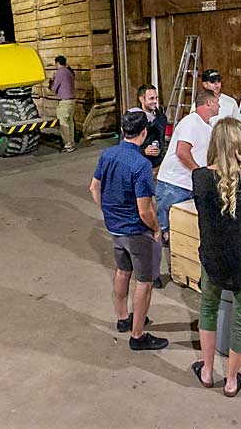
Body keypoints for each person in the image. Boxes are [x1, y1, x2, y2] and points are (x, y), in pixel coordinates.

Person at [191, 118, 241, 398]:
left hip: (213, 259)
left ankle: (208, 371)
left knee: (208, 309)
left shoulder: (198, 177)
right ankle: (232, 381)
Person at [90, 111, 168, 351]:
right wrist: (156, 229)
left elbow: (94, 188)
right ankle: (137, 335)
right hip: (136, 231)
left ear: (123, 131)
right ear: (144, 133)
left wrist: (109, 213)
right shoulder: (141, 165)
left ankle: (123, 318)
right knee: (144, 282)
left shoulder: (108, 154)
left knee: (123, 271)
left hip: (115, 229)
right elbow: (145, 210)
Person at [155, 91, 221, 249]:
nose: (220, 105)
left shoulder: (207, 126)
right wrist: (200, 173)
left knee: (184, 233)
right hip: (174, 185)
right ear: (209, 103)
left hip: (187, 185)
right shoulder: (191, 122)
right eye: (217, 101)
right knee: (171, 233)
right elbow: (182, 151)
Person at [128, 84, 167, 169]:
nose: (155, 101)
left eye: (156, 98)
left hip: (157, 165)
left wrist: (161, 152)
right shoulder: (133, 118)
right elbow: (125, 145)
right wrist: (143, 151)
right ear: (142, 99)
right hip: (138, 165)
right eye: (151, 98)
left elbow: (162, 140)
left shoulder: (161, 118)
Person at [50, 55, 77, 153]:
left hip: (64, 101)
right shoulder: (70, 71)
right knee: (70, 122)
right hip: (72, 100)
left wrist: (51, 81)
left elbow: (54, 88)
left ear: (57, 63)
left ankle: (68, 144)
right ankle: (72, 142)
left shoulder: (60, 72)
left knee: (63, 123)